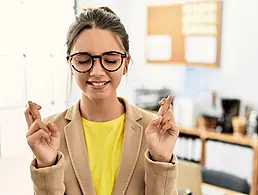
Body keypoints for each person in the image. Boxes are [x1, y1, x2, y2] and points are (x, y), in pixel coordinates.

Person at [24, 6, 179, 195]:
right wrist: (47, 165)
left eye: (111, 60)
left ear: (125, 64)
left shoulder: (153, 130)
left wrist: (162, 159)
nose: (97, 72)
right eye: (83, 60)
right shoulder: (48, 133)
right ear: (70, 64)